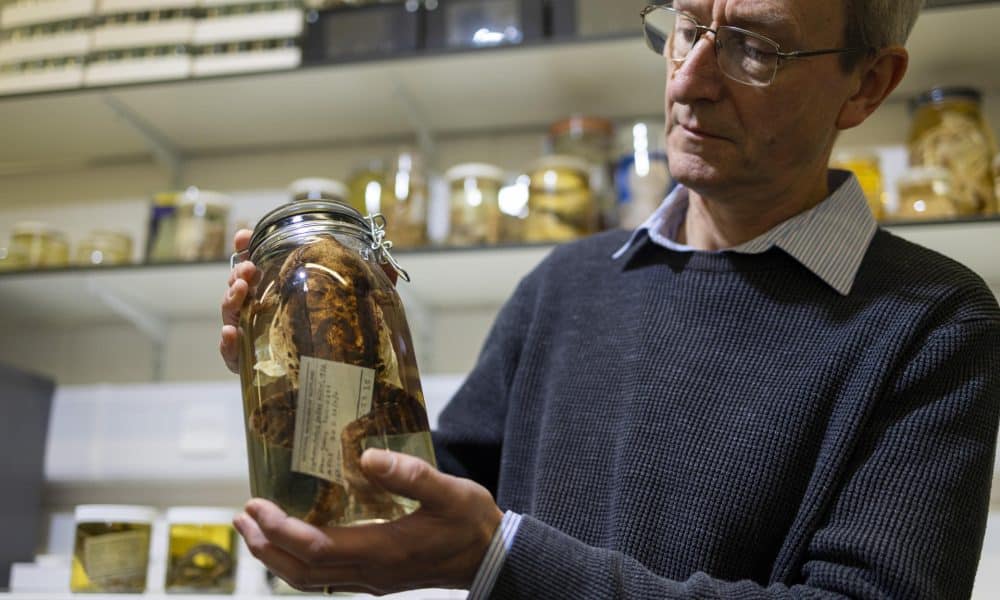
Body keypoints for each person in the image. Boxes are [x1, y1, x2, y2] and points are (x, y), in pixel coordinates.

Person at [220, 1, 1000, 597]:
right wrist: (316, 355)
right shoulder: (564, 285)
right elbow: (407, 494)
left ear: (868, 84)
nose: (691, 79)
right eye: (686, 26)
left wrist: (504, 557)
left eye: (755, 49)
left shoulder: (934, 320)